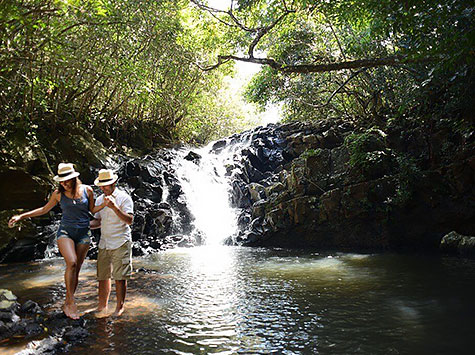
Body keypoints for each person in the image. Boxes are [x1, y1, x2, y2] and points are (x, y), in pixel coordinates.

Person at [8, 163, 105, 319]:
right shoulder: (58, 194)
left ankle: (68, 301)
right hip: (65, 232)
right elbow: (44, 209)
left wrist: (106, 207)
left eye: (67, 180)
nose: (63, 183)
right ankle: (71, 302)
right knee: (71, 262)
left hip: (84, 233)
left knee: (77, 269)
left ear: (74, 179)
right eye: (61, 181)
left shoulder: (88, 190)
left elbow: (92, 210)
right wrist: (21, 216)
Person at [91, 169, 133, 317]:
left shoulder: (124, 198)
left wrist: (114, 207)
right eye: (101, 186)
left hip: (121, 241)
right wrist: (84, 225)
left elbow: (129, 220)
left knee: (120, 277)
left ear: (114, 183)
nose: (103, 188)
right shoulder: (99, 200)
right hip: (104, 243)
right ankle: (102, 306)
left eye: (106, 185)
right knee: (102, 276)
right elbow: (98, 221)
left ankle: (119, 307)